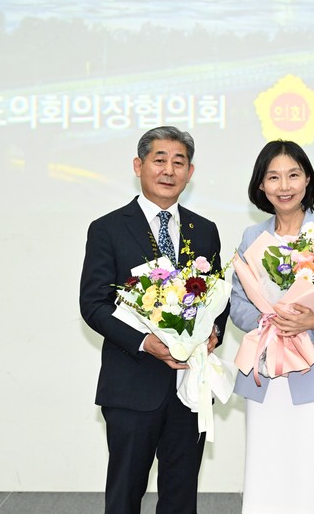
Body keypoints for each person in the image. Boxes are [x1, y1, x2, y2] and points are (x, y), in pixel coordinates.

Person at [79, 126, 228, 514]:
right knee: (125, 494)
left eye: (179, 162)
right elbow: (94, 304)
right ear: (138, 166)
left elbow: (217, 297)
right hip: (132, 384)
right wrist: (146, 342)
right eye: (159, 160)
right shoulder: (108, 228)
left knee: (181, 496)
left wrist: (213, 332)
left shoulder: (204, 230)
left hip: (189, 386)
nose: (168, 170)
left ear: (190, 172)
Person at [230, 140, 314, 514]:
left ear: (307, 180)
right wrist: (272, 322)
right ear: (261, 185)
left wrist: (312, 320)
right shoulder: (252, 238)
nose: (284, 186)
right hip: (266, 369)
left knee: (312, 470)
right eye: (273, 177)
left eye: (293, 175)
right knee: (266, 466)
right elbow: (238, 303)